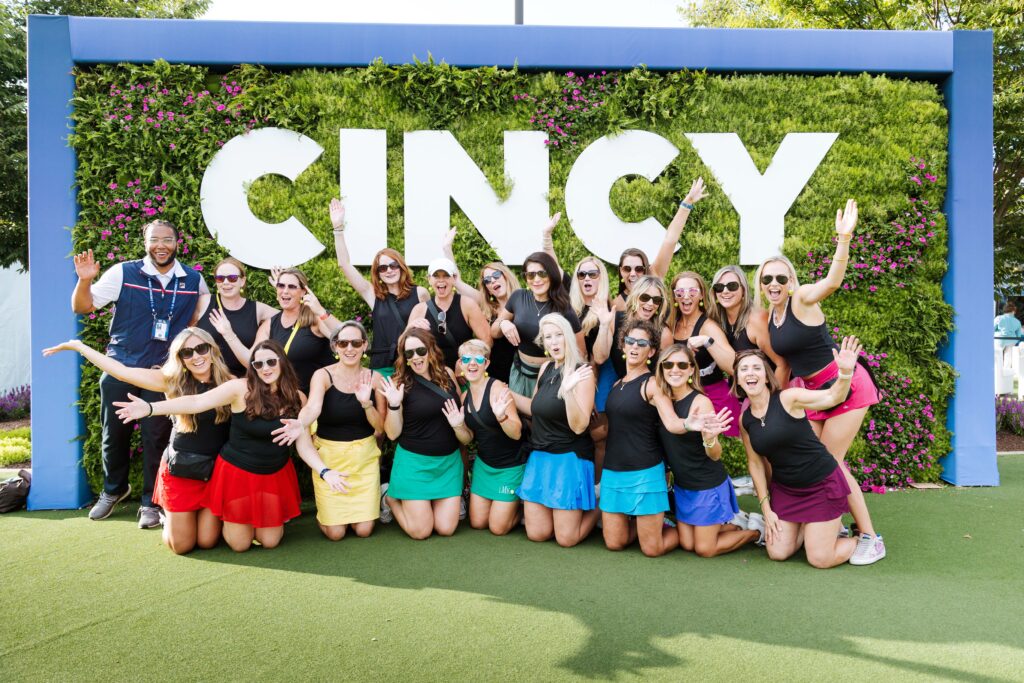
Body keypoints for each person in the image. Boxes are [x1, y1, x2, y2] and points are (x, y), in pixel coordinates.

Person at [113, 340, 348, 552]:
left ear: (282, 363)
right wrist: (151, 409)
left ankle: (245, 522)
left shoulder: (297, 398)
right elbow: (196, 402)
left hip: (273, 475)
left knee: (270, 542)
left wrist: (325, 472)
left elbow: (304, 445)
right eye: (258, 364)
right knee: (238, 545)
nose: (265, 368)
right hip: (237, 475)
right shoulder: (241, 389)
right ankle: (177, 521)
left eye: (271, 361)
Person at [757, 199, 885, 563]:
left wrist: (843, 239)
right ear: (761, 284)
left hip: (845, 383)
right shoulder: (770, 316)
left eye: (781, 277)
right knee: (807, 458)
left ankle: (870, 536)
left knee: (831, 461)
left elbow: (832, 281)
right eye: (767, 278)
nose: (774, 283)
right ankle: (829, 523)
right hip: (811, 392)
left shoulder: (802, 299)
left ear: (792, 281)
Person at [70, 219, 209, 529]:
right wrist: (84, 281)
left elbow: (199, 324)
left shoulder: (194, 280)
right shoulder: (123, 272)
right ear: (145, 243)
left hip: (163, 374)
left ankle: (150, 501)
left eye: (167, 239)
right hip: (122, 367)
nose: (161, 245)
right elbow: (83, 307)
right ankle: (114, 490)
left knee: (157, 437)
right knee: (114, 434)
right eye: (154, 239)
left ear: (177, 242)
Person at [43, 328, 233, 554]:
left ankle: (188, 517)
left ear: (212, 349)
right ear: (180, 359)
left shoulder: (230, 382)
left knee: (207, 541)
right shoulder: (172, 382)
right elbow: (122, 372)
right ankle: (169, 517)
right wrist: (79, 347)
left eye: (202, 349)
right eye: (187, 352)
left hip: (214, 473)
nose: (196, 357)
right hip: (182, 468)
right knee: (181, 546)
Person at [736, 339, 884, 567]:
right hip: (786, 490)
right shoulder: (745, 419)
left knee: (819, 559)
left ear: (766, 376)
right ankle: (815, 527)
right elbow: (755, 464)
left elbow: (832, 397)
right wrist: (766, 509)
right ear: (737, 378)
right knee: (777, 552)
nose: (750, 373)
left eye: (756, 368)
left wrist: (845, 373)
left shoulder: (789, 398)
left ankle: (860, 540)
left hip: (821, 484)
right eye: (743, 369)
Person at [272, 321, 387, 541]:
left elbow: (381, 429)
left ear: (364, 346)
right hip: (330, 458)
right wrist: (301, 423)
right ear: (335, 346)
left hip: (364, 460)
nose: (349, 348)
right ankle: (325, 514)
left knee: (364, 530)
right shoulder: (323, 375)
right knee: (335, 534)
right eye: (343, 343)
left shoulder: (376, 379)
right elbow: (313, 407)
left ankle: (380, 495)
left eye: (355, 343)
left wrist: (366, 403)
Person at [655, 343, 759, 557]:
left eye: (682, 365)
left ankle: (755, 531)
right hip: (684, 486)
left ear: (691, 369)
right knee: (686, 543)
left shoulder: (700, 402)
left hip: (707, 485)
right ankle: (730, 525)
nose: (675, 370)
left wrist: (710, 440)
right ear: (662, 368)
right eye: (669, 364)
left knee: (704, 549)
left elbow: (715, 454)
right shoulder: (662, 401)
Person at [512, 313, 597, 547]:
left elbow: (579, 426)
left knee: (566, 539)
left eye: (559, 335)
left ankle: (601, 506)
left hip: (569, 458)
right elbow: (536, 408)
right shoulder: (546, 368)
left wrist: (567, 390)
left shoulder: (582, 372)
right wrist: (505, 392)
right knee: (537, 534)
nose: (554, 341)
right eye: (548, 337)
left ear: (568, 337)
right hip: (540, 458)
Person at [380, 328, 470, 539]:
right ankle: (390, 497)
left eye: (420, 350)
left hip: (447, 464)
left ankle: (419, 501)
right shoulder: (399, 383)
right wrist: (394, 405)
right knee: (421, 532)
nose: (416, 357)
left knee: (446, 529)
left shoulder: (447, 374)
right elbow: (392, 434)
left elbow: (460, 409)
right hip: (415, 465)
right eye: (409, 353)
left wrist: (460, 424)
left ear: (430, 350)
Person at [599, 320, 678, 557]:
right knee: (614, 543)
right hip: (613, 472)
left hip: (645, 471)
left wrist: (690, 424)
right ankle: (649, 526)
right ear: (623, 345)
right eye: (630, 341)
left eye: (642, 343)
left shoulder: (653, 384)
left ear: (651, 351)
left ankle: (685, 529)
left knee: (652, 549)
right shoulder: (615, 385)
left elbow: (671, 422)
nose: (634, 347)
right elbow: (608, 429)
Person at [331, 198, 428, 377]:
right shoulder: (373, 295)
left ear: (401, 267)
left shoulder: (420, 293)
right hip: (383, 367)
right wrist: (338, 228)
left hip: (413, 363)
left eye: (393, 265)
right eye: (383, 268)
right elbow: (344, 264)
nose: (389, 270)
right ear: (378, 273)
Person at [458, 339, 526, 535]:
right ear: (461, 364)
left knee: (498, 528)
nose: (472, 363)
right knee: (478, 523)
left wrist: (502, 417)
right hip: (484, 465)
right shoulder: (464, 397)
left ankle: (523, 507)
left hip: (509, 466)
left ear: (486, 364)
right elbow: (468, 438)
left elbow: (516, 433)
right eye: (466, 359)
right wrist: (457, 426)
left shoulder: (499, 390)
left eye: (478, 359)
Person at [494, 252, 585, 397]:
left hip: (552, 376)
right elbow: (493, 332)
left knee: (541, 416)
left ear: (552, 275)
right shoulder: (518, 297)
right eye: (531, 275)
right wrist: (503, 323)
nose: (536, 279)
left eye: (542, 274)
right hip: (521, 372)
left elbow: (581, 352)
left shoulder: (564, 308)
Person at [611, 178, 708, 311]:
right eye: (627, 269)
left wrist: (687, 203)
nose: (633, 274)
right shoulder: (617, 305)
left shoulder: (655, 275)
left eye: (639, 269)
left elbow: (670, 240)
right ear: (621, 271)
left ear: (646, 269)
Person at [670, 271, 740, 436]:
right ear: (674, 296)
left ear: (701, 295)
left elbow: (733, 367)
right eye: (680, 292)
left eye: (692, 291)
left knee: (727, 451)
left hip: (716, 399)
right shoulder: (672, 325)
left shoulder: (708, 327)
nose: (686, 296)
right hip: (683, 399)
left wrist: (707, 342)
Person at [254, 267, 338, 394]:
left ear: (303, 291)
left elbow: (347, 337)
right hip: (287, 397)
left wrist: (321, 311)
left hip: (320, 396)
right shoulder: (269, 324)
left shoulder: (314, 318)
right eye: (281, 286)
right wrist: (229, 335)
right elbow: (252, 359)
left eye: (292, 287)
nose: (285, 291)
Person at [195, 257, 277, 377]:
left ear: (242, 281)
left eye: (232, 278)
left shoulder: (258, 309)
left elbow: (293, 316)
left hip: (241, 381)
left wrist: (281, 287)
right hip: (206, 379)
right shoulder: (204, 302)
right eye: (220, 278)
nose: (226, 282)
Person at [707, 264, 787, 383]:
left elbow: (783, 365)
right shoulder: (717, 319)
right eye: (719, 287)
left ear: (743, 290)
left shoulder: (757, 319)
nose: (725, 291)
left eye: (732, 286)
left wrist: (776, 399)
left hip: (770, 390)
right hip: (746, 392)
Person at [407, 258, 491, 370]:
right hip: (432, 373)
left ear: (454, 278)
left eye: (446, 276)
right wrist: (409, 327)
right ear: (429, 279)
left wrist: (467, 362)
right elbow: (405, 345)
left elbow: (487, 340)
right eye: (436, 276)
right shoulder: (419, 309)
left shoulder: (467, 304)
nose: (441, 280)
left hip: (464, 374)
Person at [995, 302, 1023, 368]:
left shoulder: (999, 318)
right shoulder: (1017, 321)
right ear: (1013, 311)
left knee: (997, 354)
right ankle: (1006, 371)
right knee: (1008, 356)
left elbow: (992, 329)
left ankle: (996, 370)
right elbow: (1018, 335)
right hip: (1011, 340)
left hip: (1000, 339)